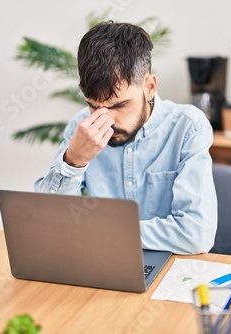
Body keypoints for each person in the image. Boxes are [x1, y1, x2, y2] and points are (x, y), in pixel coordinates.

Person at [35, 21, 217, 254]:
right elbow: (46, 222)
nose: (105, 120)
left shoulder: (188, 128)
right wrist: (73, 161)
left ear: (149, 87)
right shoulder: (82, 128)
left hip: (168, 269)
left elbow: (196, 234)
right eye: (92, 106)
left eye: (118, 105)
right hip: (104, 263)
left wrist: (101, 233)